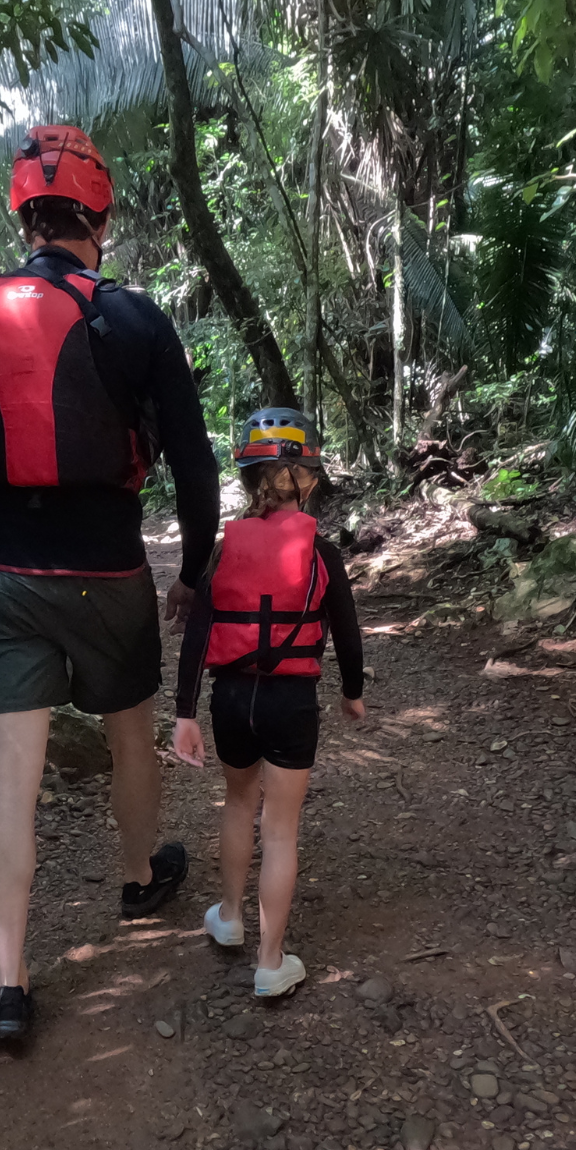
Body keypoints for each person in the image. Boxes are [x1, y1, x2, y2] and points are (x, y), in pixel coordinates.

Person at [0, 124, 221, 1043]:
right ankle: (141, 876)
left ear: (22, 211)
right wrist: (197, 566)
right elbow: (194, 463)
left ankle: (8, 983)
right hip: (108, 569)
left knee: (11, 765)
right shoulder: (134, 317)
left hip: (5, 572)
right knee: (130, 731)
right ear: (102, 212)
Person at [170, 410, 364, 998]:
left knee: (236, 803)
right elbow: (348, 633)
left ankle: (229, 918)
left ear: (251, 477)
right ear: (306, 478)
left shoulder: (225, 551)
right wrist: (352, 695)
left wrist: (184, 713)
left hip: (231, 699)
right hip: (290, 702)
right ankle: (271, 961)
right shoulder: (321, 553)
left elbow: (199, 632)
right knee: (279, 830)